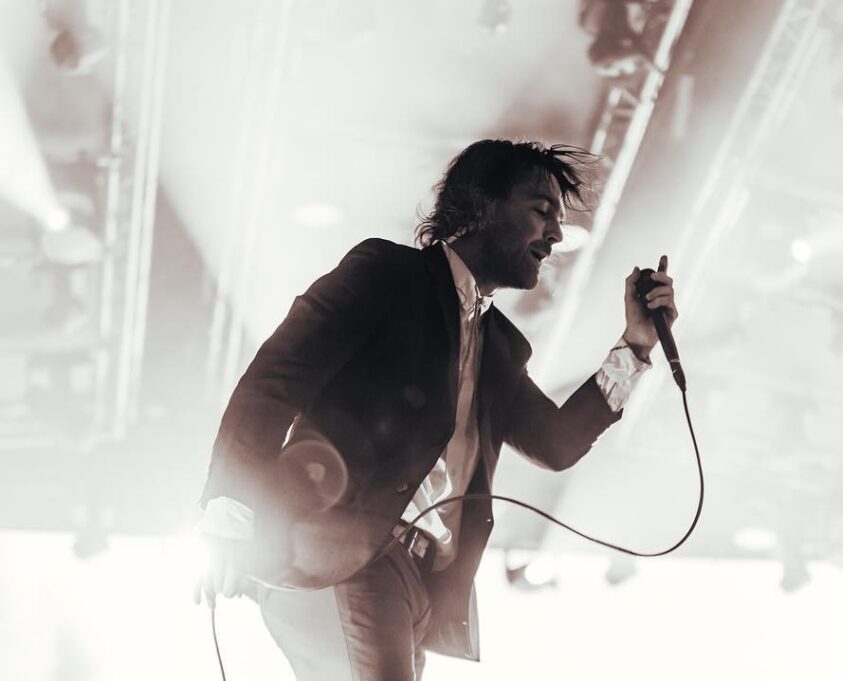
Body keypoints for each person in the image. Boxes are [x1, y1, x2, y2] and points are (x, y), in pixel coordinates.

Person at [194, 139, 678, 680]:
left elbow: (557, 442)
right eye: (541, 211)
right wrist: (230, 515)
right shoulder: (386, 275)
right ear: (482, 205)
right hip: (347, 553)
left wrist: (636, 344)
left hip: (416, 584)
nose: (556, 235)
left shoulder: (498, 344)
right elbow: (274, 379)